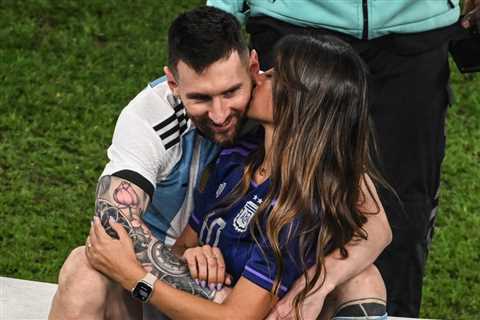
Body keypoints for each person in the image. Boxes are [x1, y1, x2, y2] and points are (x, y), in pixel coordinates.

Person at [48, 6, 391, 320]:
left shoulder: (300, 197)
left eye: (232, 91)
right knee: (82, 266)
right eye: (200, 97)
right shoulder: (237, 156)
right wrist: (192, 257)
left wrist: (315, 286)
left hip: (231, 305)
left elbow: (377, 226)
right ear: (174, 84)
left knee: (364, 279)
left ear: (253, 68)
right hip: (193, 294)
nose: (220, 113)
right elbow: (143, 235)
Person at [207, 0, 480, 317]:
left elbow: (380, 225)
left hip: (415, 33)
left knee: (401, 223)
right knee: (265, 213)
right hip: (293, 26)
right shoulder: (270, 81)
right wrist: (218, 22)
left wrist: (317, 284)